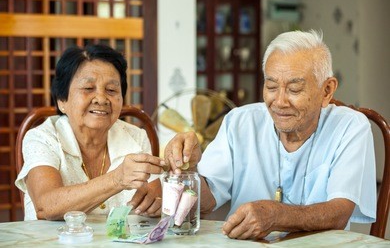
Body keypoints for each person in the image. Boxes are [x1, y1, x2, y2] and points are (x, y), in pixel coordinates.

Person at [164, 30, 376, 240]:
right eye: (272, 86)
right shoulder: (239, 122)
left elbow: (339, 213)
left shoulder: (350, 126)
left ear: (327, 90)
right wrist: (188, 169)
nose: (280, 102)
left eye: (294, 89)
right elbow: (207, 203)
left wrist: (276, 215)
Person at [15, 44, 165, 220]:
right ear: (62, 100)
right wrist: (116, 179)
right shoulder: (42, 138)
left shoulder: (135, 137)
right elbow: (46, 206)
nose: (101, 99)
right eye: (88, 88)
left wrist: (155, 204)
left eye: (111, 90)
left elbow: (153, 200)